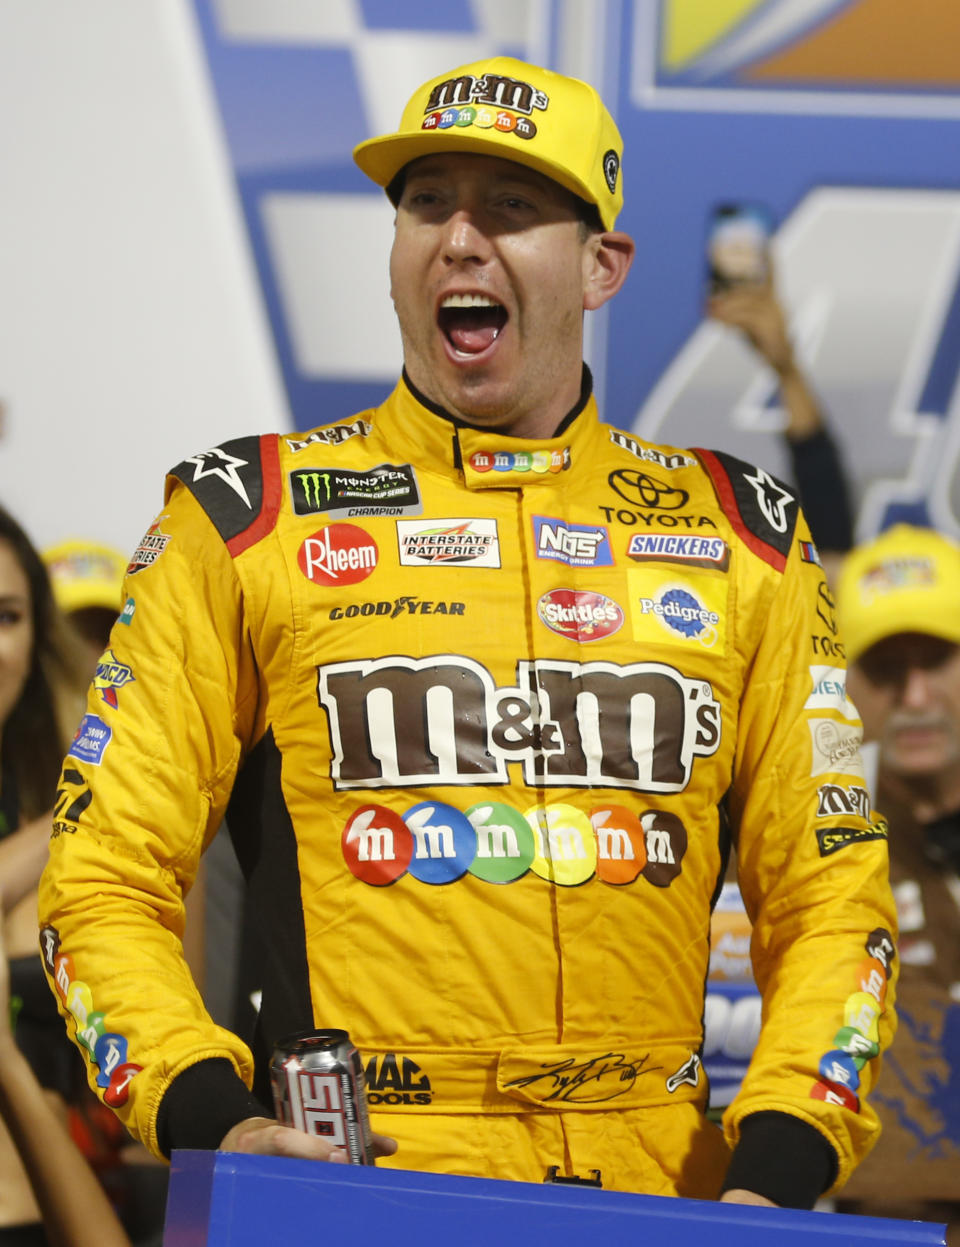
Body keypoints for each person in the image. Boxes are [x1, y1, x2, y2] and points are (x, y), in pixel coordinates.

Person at [38, 56, 897, 1210]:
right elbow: (102, 874)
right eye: (426, 201)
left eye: (510, 206)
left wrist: (779, 1170)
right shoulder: (244, 520)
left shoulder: (746, 534)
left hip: (666, 1191)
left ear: (601, 267)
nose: (458, 237)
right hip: (355, 1182)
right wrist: (213, 1115)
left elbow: (832, 887)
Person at [835, 524, 960, 1222]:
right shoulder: (808, 841)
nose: (913, 696)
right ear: (847, 683)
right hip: (892, 1215)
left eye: (936, 659)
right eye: (885, 667)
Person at [0, 505, 93, 1240]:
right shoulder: (77, 799)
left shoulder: (46, 783)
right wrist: (86, 796)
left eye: (7, 616)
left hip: (62, 1207)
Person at [708, 269, 854, 581]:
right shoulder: (836, 588)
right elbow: (831, 542)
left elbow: (831, 553)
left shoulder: (841, 589)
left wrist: (787, 370)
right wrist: (785, 369)